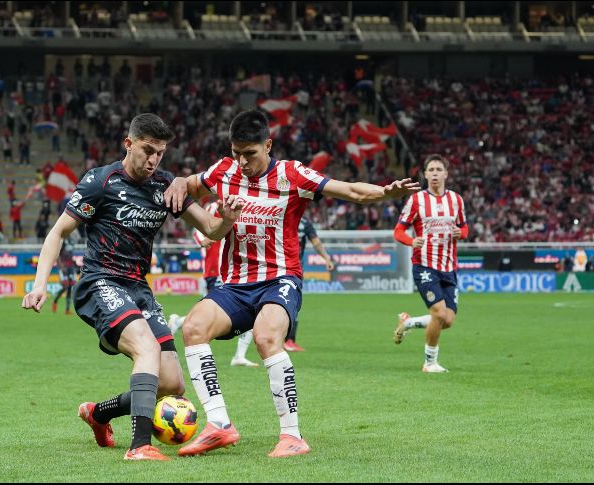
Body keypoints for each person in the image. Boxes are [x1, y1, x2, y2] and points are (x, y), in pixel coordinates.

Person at [163, 109, 419, 458]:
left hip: (279, 280)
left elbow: (348, 190)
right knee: (192, 327)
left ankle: (292, 436)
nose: (242, 161)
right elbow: (190, 183)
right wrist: (179, 181)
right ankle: (219, 425)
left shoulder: (292, 174)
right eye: (237, 152)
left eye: (250, 153)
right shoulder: (223, 170)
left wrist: (384, 193)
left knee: (268, 337)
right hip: (236, 285)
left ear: (268, 145)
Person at [21, 113, 244, 462]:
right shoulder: (101, 181)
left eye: (161, 153)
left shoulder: (167, 186)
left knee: (171, 384)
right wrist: (39, 286)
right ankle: (139, 447)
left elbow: (212, 230)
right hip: (101, 282)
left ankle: (99, 414)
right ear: (129, 144)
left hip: (139, 289)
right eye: (147, 150)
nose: (154, 159)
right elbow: (57, 233)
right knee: (147, 349)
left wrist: (227, 218)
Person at [392, 154, 468, 373]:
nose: (435, 174)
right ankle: (430, 363)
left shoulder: (456, 200)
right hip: (425, 266)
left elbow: (464, 227)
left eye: (438, 169)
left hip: (449, 267)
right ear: (425, 175)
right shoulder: (416, 200)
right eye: (431, 170)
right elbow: (398, 231)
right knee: (439, 314)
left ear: (445, 173)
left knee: (448, 320)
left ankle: (408, 322)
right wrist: (411, 240)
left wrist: (459, 233)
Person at [167, 197, 259, 368]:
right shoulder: (215, 206)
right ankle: (180, 323)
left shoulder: (246, 203)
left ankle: (239, 356)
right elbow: (198, 229)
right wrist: (202, 240)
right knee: (214, 315)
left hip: (238, 271)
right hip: (216, 269)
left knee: (249, 311)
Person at [282, 216, 336, 352]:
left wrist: (326, 257)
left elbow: (316, 243)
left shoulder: (300, 221)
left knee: (286, 302)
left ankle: (285, 339)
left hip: (287, 268)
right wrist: (326, 258)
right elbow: (316, 243)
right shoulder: (298, 220)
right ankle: (287, 340)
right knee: (290, 302)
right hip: (288, 268)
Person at [51, 238, 78, 315]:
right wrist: (61, 267)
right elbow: (57, 255)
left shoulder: (71, 241)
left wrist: (74, 264)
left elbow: (70, 255)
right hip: (64, 268)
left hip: (71, 267)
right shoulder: (63, 241)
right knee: (65, 286)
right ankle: (55, 301)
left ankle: (67, 309)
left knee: (70, 287)